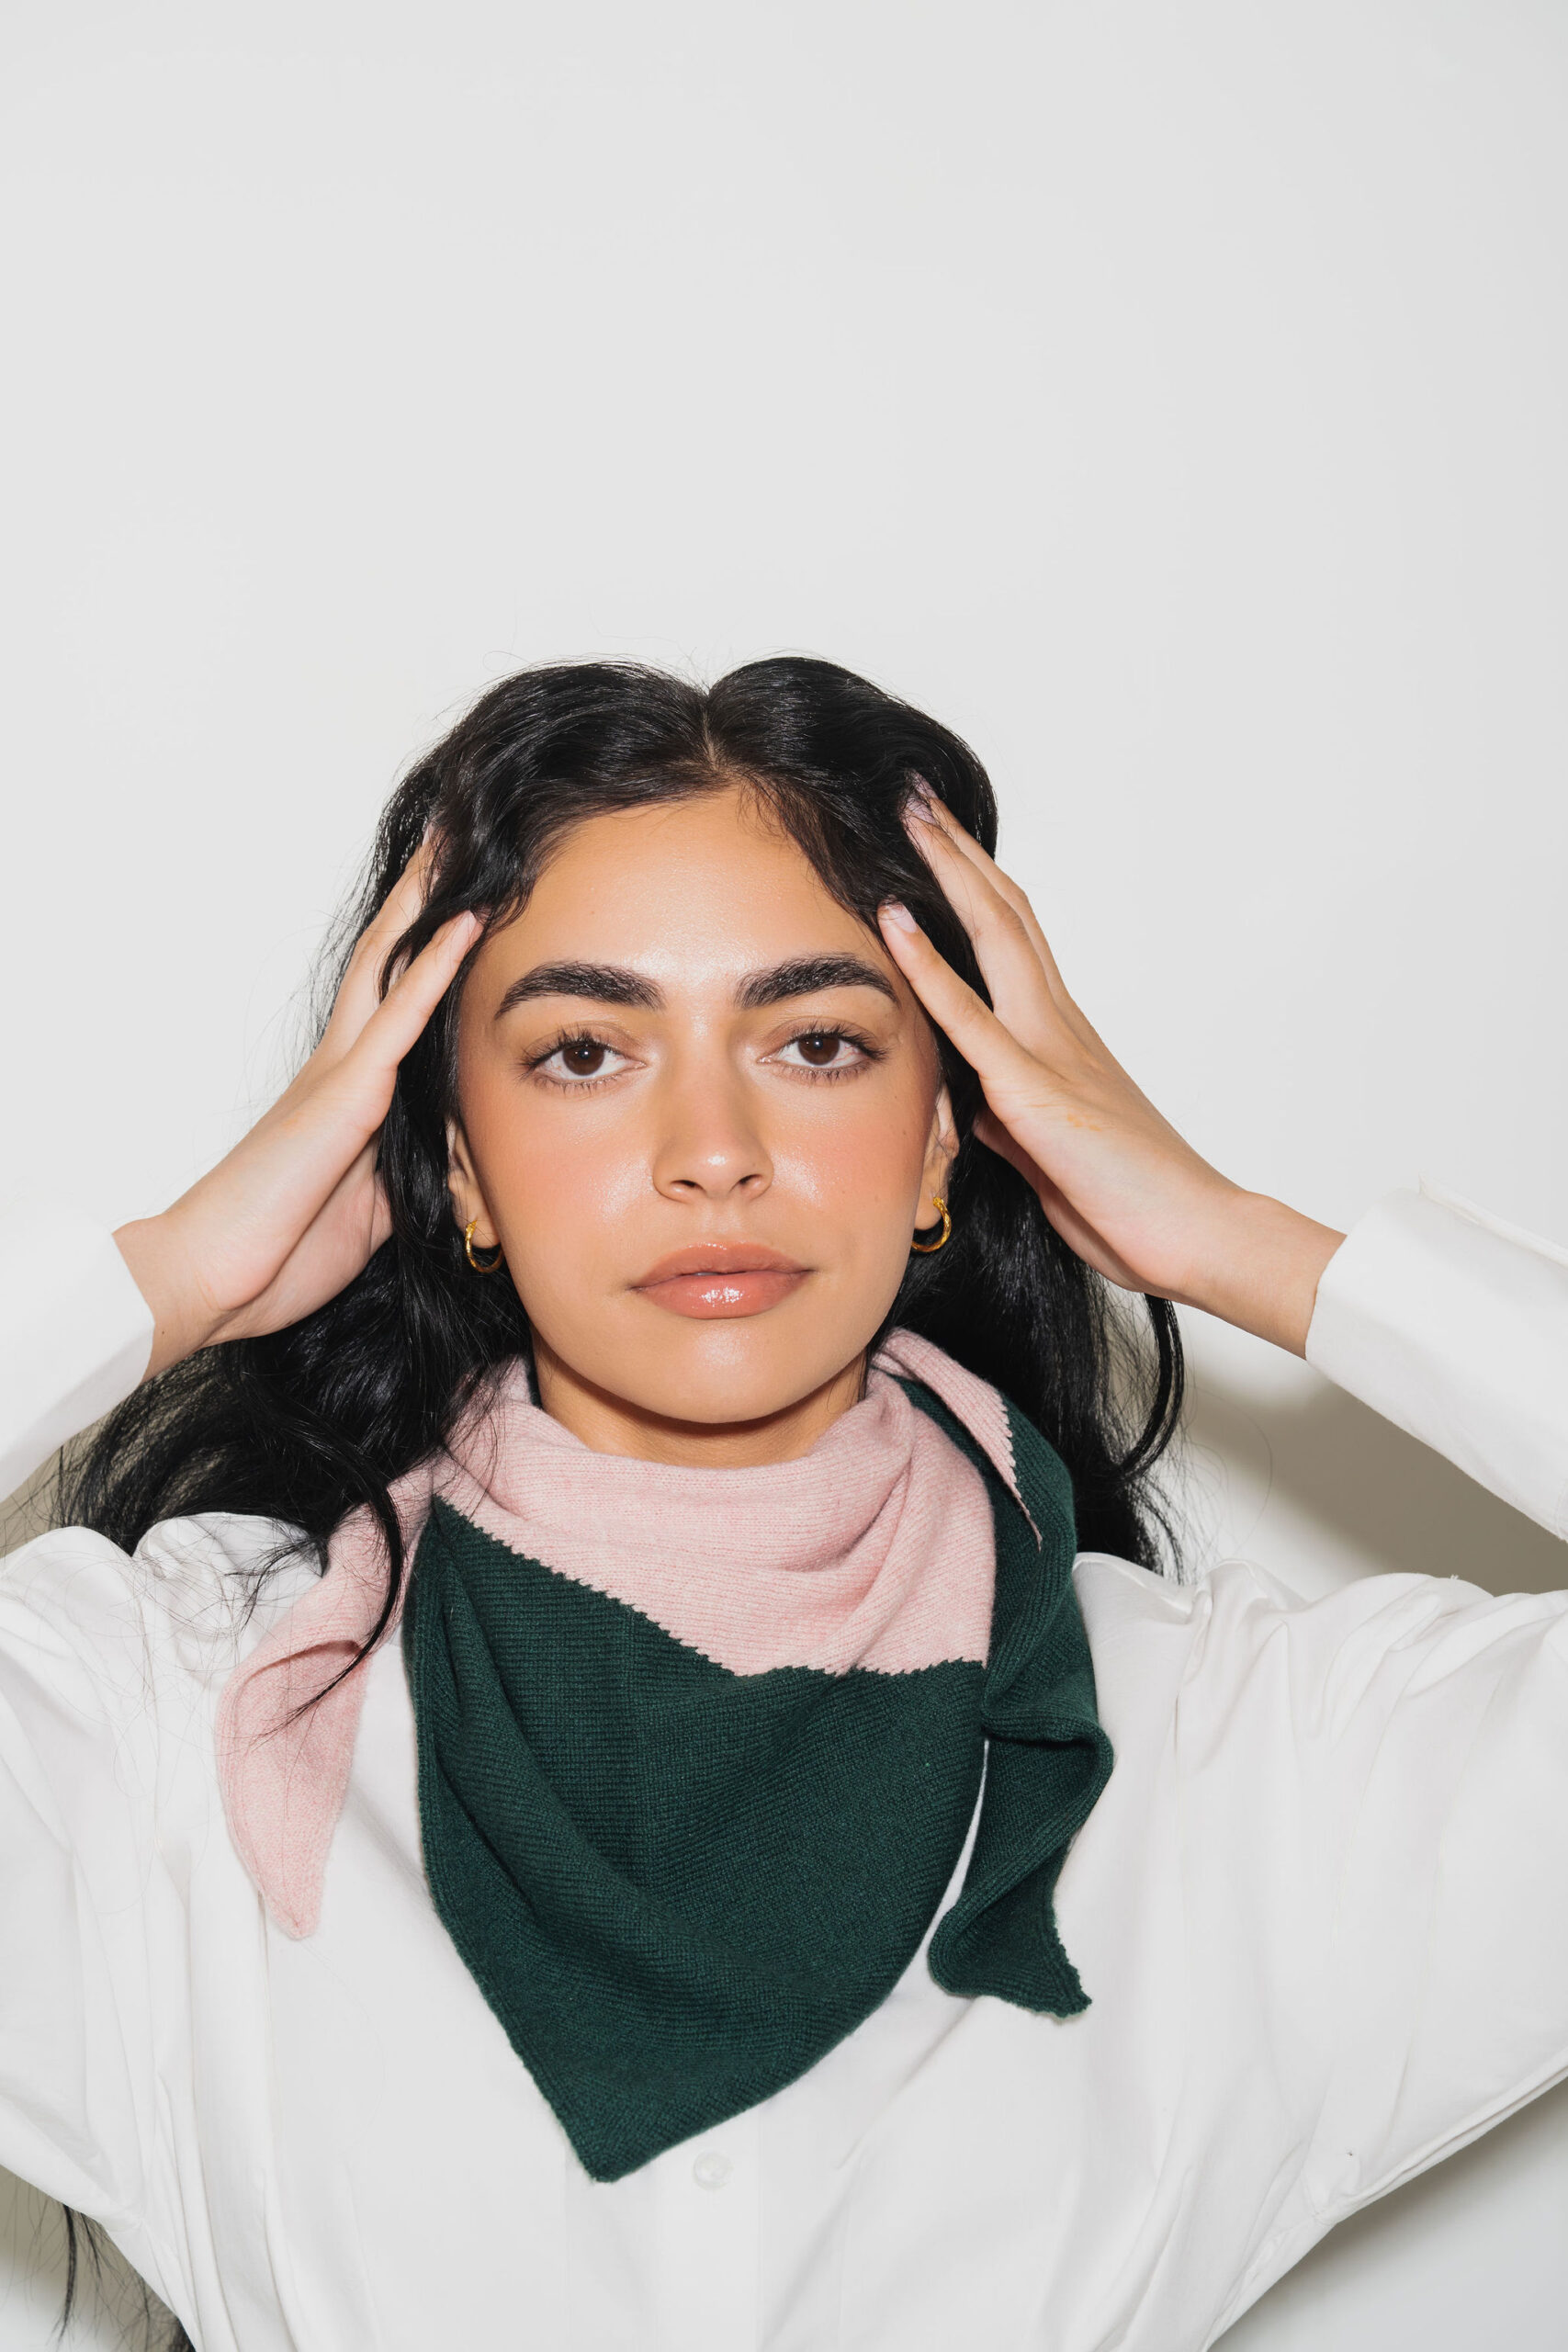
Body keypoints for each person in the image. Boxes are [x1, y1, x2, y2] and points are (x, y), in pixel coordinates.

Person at [1, 656, 1564, 2352]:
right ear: (452, 1158)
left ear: (948, 1136)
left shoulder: (1243, 1759)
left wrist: (1244, 1245)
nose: (714, 1147)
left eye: (818, 1042)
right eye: (586, 1051)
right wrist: (166, 1279)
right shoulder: (162, 1728)